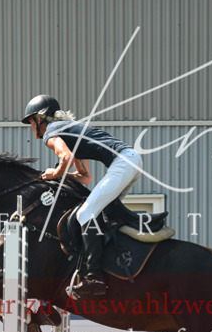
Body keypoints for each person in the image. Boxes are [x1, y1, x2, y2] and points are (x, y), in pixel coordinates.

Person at [22, 94, 143, 297]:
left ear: (39, 119)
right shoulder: (69, 130)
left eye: (30, 122)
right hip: (131, 161)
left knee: (85, 214)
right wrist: (62, 176)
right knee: (103, 214)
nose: (31, 128)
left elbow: (65, 158)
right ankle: (117, 261)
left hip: (123, 163)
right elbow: (85, 177)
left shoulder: (51, 132)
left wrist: (54, 174)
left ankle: (94, 278)